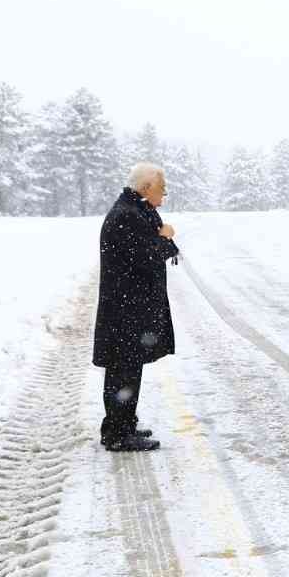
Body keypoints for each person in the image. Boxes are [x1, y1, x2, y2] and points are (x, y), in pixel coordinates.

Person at [92, 163, 180, 451]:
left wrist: (161, 235)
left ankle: (124, 424)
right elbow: (148, 255)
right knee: (123, 370)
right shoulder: (126, 216)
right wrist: (165, 237)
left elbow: (147, 248)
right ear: (145, 189)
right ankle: (116, 434)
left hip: (130, 308)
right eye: (161, 189)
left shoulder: (135, 210)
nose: (164, 194)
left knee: (129, 368)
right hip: (124, 311)